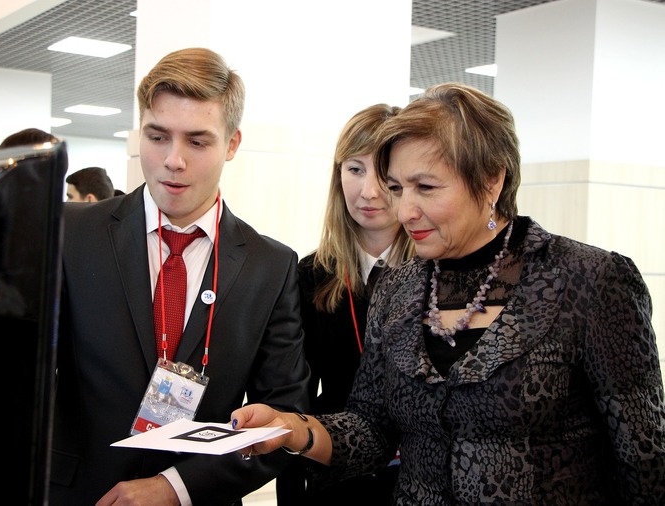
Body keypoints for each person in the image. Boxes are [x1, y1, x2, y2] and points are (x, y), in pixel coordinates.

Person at [232, 82, 665, 504]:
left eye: (426, 187)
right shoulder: (398, 288)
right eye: (398, 188)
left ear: (492, 180)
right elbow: (371, 429)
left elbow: (645, 459)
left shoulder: (590, 280)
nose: (405, 211)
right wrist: (294, 429)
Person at [49, 47, 310, 506]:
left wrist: (176, 488)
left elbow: (281, 417)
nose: (174, 160)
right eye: (157, 136)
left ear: (232, 144)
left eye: (197, 141)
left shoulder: (269, 266)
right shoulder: (72, 233)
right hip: (81, 493)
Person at [276, 104, 414, 505]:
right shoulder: (309, 275)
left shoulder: (438, 274)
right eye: (355, 169)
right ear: (338, 175)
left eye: (384, 174)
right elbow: (295, 400)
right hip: (335, 476)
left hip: (418, 480)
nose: (368, 191)